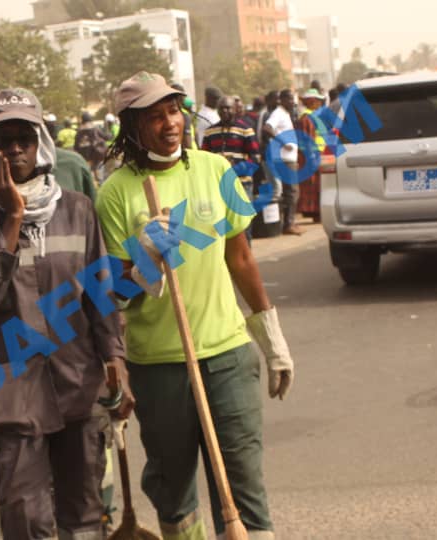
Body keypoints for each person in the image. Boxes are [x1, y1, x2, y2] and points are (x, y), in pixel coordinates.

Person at [96, 71, 295, 540]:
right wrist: (145, 259)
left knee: (243, 481)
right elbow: (116, 293)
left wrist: (272, 340)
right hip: (158, 365)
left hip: (227, 352)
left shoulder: (215, 170)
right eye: (154, 116)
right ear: (132, 127)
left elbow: (240, 258)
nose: (169, 123)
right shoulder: (115, 193)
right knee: (172, 488)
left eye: (173, 111)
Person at [0, 87, 133, 540]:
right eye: (3, 139)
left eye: (24, 138)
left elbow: (99, 294)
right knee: (25, 519)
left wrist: (116, 359)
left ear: (41, 144)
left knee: (84, 517)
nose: (15, 149)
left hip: (79, 385)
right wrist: (11, 217)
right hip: (10, 392)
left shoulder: (77, 209)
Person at [201, 95, 261, 238]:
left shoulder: (246, 130)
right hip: (218, 185)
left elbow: (256, 159)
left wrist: (235, 169)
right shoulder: (210, 132)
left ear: (235, 109)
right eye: (221, 108)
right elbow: (204, 158)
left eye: (228, 108)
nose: (224, 111)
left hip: (242, 184)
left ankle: (245, 251)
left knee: (243, 223)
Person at [264, 89, 301, 235]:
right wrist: (283, 142)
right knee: (291, 192)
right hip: (284, 158)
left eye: (293, 99)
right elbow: (267, 128)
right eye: (290, 99)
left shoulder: (286, 113)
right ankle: (288, 224)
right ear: (282, 100)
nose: (293, 102)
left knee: (290, 192)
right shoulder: (278, 113)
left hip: (290, 158)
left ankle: (289, 222)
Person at [296, 88, 328, 223]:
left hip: (318, 153)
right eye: (318, 100)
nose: (320, 103)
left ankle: (316, 212)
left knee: (316, 184)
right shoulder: (306, 118)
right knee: (312, 185)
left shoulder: (313, 116)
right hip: (311, 155)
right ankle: (313, 211)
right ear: (311, 101)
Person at [74, 111, 109, 180]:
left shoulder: (79, 131)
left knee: (89, 172)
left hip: (84, 155)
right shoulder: (95, 128)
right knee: (99, 170)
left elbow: (76, 146)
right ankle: (100, 181)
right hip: (95, 153)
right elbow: (105, 137)